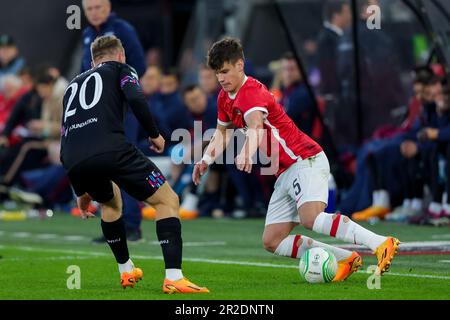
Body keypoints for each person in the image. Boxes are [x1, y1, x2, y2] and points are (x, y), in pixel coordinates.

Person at [193, 37, 400, 280]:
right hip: (285, 171)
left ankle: (381, 242)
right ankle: (346, 258)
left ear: (240, 65)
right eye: (217, 73)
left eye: (225, 71)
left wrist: (247, 153)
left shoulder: (251, 92)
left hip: (305, 159)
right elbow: (222, 133)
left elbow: (256, 126)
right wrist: (205, 159)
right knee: (272, 241)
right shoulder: (223, 97)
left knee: (310, 218)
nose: (221, 78)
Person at [60, 35, 208, 293]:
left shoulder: (71, 86)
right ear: (120, 56)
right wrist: (154, 134)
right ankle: (174, 276)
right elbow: (137, 98)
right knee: (167, 201)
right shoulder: (121, 68)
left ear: (94, 61)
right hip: (112, 149)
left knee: (111, 201)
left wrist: (81, 192)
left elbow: (69, 137)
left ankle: (126, 270)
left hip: (74, 160)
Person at [81, 0, 147, 243]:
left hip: (122, 110)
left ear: (108, 7)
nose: (94, 12)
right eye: (89, 9)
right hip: (99, 111)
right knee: (105, 168)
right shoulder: (88, 34)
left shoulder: (123, 30)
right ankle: (115, 225)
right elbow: (83, 72)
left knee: (123, 166)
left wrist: (119, 89)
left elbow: (139, 65)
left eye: (98, 7)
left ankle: (132, 225)